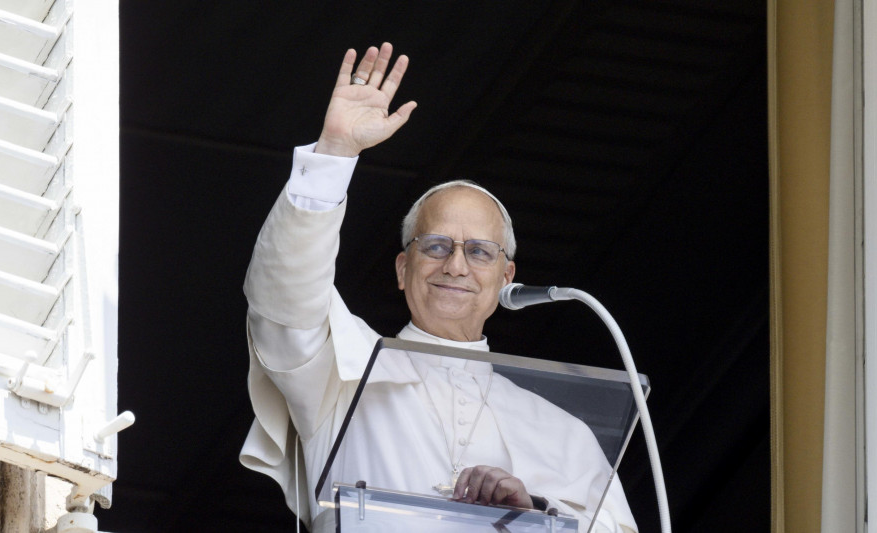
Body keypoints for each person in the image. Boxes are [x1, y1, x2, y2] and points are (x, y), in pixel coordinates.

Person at [240, 43, 638, 533]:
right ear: (402, 269)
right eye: (435, 246)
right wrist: (335, 153)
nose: (455, 265)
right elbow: (282, 299)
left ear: (505, 278)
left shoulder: (564, 433)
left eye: (478, 251)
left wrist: (531, 515)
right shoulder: (339, 376)